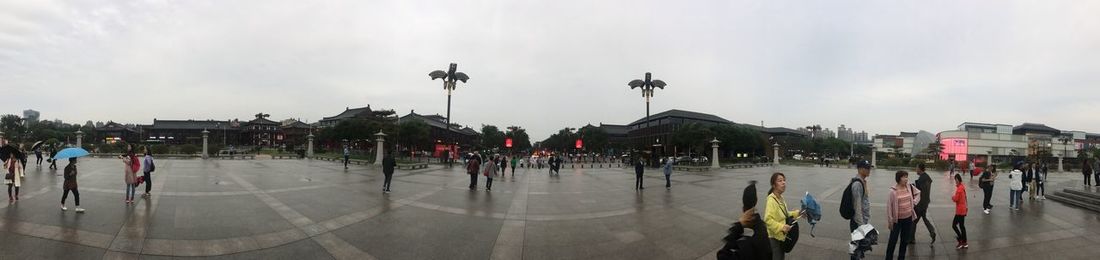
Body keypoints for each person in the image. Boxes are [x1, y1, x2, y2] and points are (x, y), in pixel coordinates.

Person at [717, 181, 772, 260]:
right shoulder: (764, 237)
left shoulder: (747, 246)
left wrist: (739, 226)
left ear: (743, 209)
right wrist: (757, 221)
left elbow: (722, 255)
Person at [765, 172, 802, 260]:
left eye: (784, 180)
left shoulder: (781, 198)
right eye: (780, 181)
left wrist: (798, 213)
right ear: (774, 185)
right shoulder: (771, 200)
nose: (783, 183)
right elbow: (768, 220)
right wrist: (781, 227)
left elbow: (786, 214)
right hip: (775, 239)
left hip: (781, 237)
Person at [884, 170, 919, 260]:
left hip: (908, 219)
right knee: (892, 241)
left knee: (904, 241)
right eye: (904, 177)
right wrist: (890, 220)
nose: (906, 179)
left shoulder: (909, 187)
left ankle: (901, 258)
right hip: (897, 221)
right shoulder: (892, 191)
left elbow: (918, 193)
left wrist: (914, 203)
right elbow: (889, 207)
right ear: (899, 178)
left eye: (907, 177)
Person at [848, 160, 873, 260]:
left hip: (862, 221)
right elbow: (857, 206)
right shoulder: (857, 184)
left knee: (859, 249)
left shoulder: (862, 182)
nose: (868, 170)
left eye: (869, 168)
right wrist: (861, 226)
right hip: (858, 222)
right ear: (860, 169)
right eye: (866, 168)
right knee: (856, 250)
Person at [910, 164, 936, 245]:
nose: (916, 170)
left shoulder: (922, 179)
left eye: (917, 168)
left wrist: (913, 186)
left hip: (920, 204)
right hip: (925, 202)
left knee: (913, 221)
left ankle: (911, 239)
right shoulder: (927, 177)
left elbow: (919, 191)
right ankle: (932, 232)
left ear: (920, 169)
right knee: (924, 219)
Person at [951, 173, 968, 249]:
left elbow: (956, 199)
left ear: (958, 179)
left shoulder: (959, 189)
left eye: (956, 180)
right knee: (962, 226)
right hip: (963, 209)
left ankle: (961, 240)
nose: (955, 181)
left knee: (954, 225)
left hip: (960, 211)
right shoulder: (962, 187)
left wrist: (953, 197)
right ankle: (965, 242)